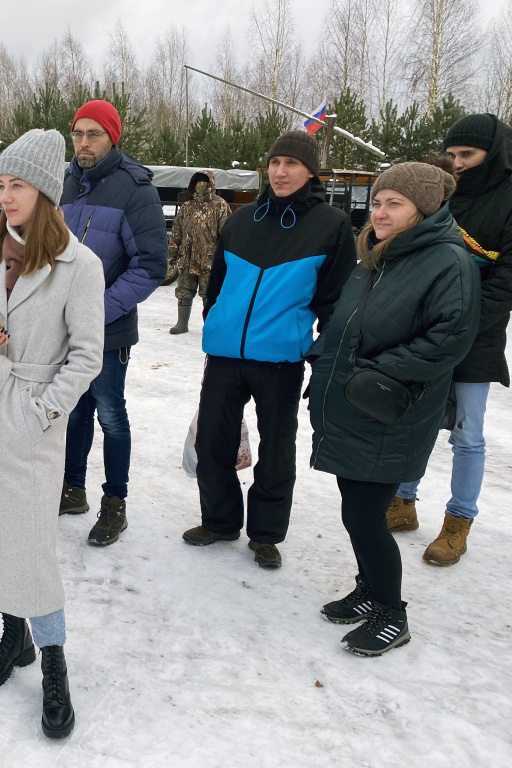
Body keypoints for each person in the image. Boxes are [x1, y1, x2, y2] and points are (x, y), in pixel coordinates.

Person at [0, 129, 105, 740]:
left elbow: (88, 356)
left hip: (30, 422)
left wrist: (44, 412)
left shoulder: (78, 266)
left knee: (32, 549)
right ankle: (14, 641)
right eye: (2, 186)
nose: (5, 197)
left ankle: (55, 664)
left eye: (16, 186)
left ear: (45, 190)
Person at [308, 162, 478, 655]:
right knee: (354, 507)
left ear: (421, 210)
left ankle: (391, 613)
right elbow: (352, 321)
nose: (379, 212)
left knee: (365, 515)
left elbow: (450, 339)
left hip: (391, 411)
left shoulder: (449, 262)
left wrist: (375, 374)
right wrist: (327, 357)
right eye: (378, 202)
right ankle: (369, 590)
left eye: (393, 204)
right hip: (353, 403)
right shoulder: (380, 254)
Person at [183, 130, 356, 568]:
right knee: (213, 441)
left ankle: (264, 534)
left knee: (276, 449)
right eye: (275, 163)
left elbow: (334, 300)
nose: (281, 172)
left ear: (310, 170)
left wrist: (321, 355)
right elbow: (217, 284)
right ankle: (220, 521)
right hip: (225, 354)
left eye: (292, 164)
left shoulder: (330, 225)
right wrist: (217, 321)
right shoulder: (241, 220)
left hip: (280, 359)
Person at [388, 114, 512, 567]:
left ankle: (458, 523)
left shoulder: (509, 198)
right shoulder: (439, 194)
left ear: (492, 154)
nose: (457, 164)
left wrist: (463, 321)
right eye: (453, 153)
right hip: (425, 328)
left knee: (469, 434)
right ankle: (402, 503)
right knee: (412, 418)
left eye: (468, 155)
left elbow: (508, 278)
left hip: (477, 336)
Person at [58, 99, 168, 547]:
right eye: (78, 133)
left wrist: (95, 310)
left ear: (112, 137)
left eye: (94, 134)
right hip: (62, 327)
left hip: (108, 328)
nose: (84, 143)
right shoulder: (64, 180)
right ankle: (72, 488)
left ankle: (114, 503)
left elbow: (150, 266)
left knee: (110, 415)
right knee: (73, 410)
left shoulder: (135, 189)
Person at [167, 170, 232, 334]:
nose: (201, 185)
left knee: (209, 295)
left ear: (211, 184)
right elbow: (176, 232)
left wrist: (223, 259)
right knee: (183, 291)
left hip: (209, 261)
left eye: (204, 182)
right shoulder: (187, 206)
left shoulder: (220, 205)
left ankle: (210, 326)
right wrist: (172, 255)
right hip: (186, 259)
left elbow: (228, 234)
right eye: (198, 182)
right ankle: (182, 324)